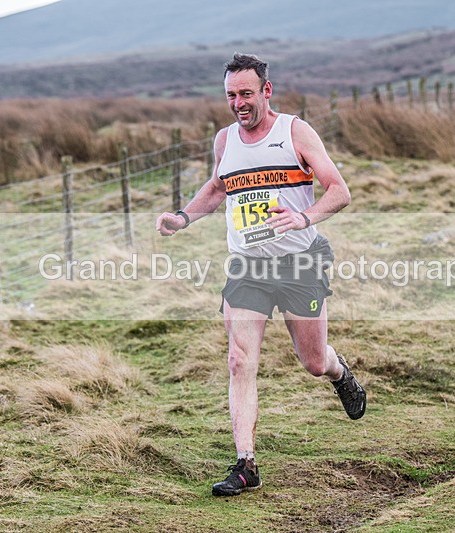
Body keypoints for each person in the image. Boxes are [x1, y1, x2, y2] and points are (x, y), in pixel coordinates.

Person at [155, 53, 366, 497]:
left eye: (246, 94)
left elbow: (339, 191)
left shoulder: (296, 132)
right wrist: (183, 217)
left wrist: (304, 218)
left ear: (266, 91)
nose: (238, 103)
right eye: (231, 95)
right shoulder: (225, 140)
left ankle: (339, 371)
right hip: (247, 266)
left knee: (312, 362)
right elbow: (217, 187)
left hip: (298, 263)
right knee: (238, 359)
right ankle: (246, 464)